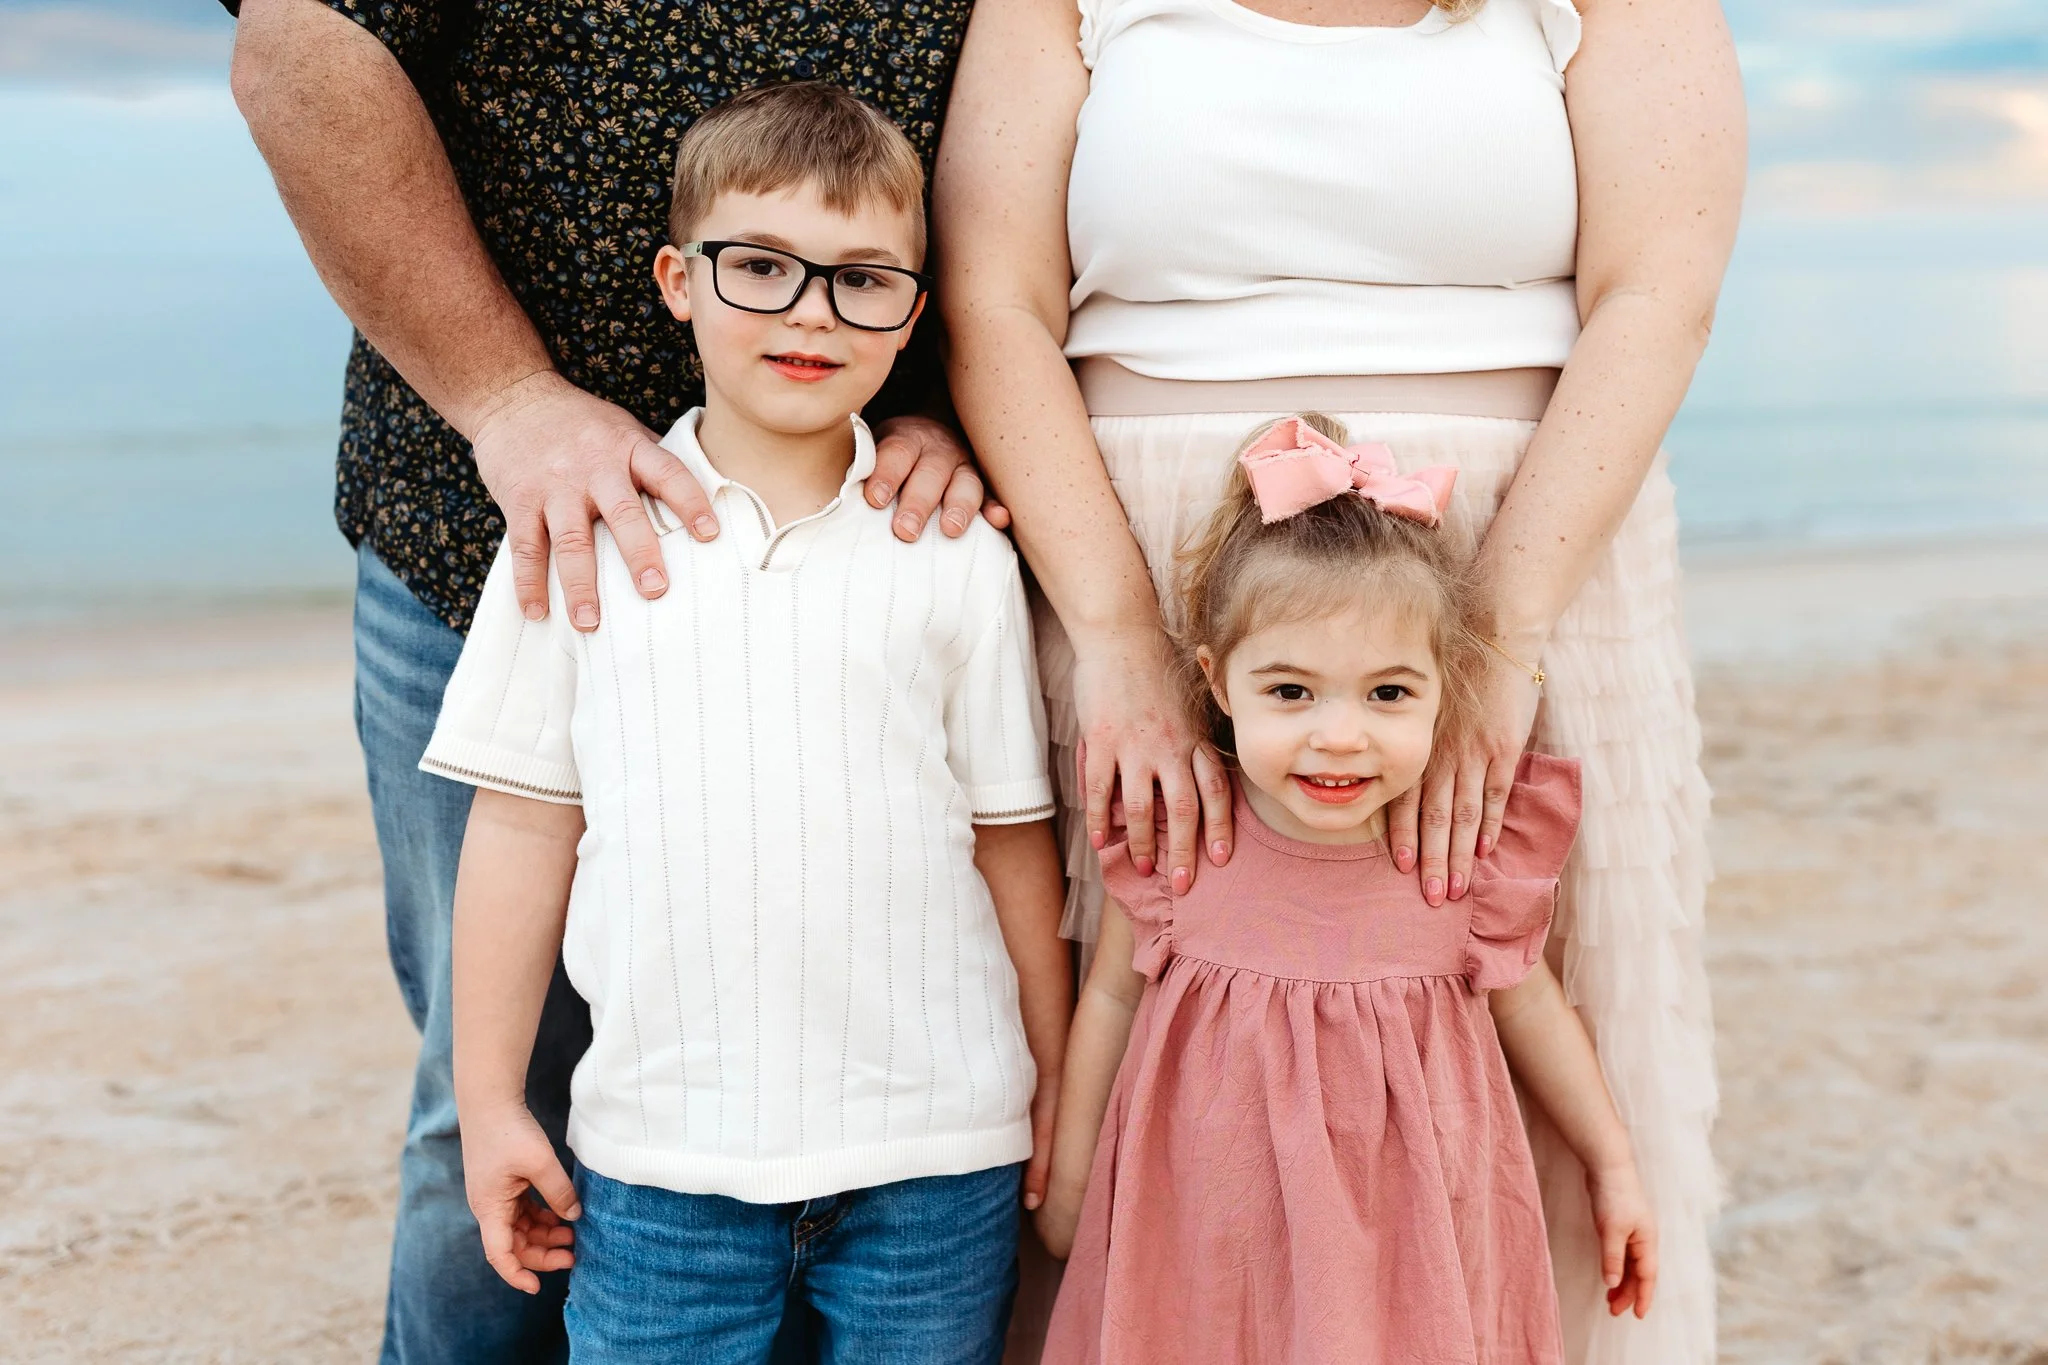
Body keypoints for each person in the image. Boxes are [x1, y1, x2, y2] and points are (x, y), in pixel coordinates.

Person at [936, 0, 1742, 1354]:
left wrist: (1504, 629)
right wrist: (1126, 634)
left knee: (1510, 1007)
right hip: (1132, 553)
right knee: (1148, 1025)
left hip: (1521, 548)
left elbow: (1661, 289)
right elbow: (992, 295)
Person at [226, 0, 997, 1356]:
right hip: (517, 543)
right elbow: (301, 43)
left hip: (880, 530)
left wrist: (936, 404)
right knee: (488, 1103)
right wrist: (510, 401)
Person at [429, 83, 1071, 1362]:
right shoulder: (576, 538)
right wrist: (490, 1098)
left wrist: (1058, 1086)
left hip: (939, 1156)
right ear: (678, 280)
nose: (809, 315)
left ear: (912, 315)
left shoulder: (951, 548)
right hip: (661, 1164)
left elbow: (1009, 841)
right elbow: (518, 831)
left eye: (859, 281)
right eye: (760, 268)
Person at [1035, 415, 1655, 1361]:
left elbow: (1533, 1009)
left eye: (1388, 694)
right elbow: (1113, 994)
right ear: (1218, 683)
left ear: (1445, 692)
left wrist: (1612, 1160)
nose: (1340, 735)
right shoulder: (1181, 839)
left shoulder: (1460, 858)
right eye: (1291, 692)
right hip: (1209, 1235)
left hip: (1408, 1242)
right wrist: (1074, 1178)